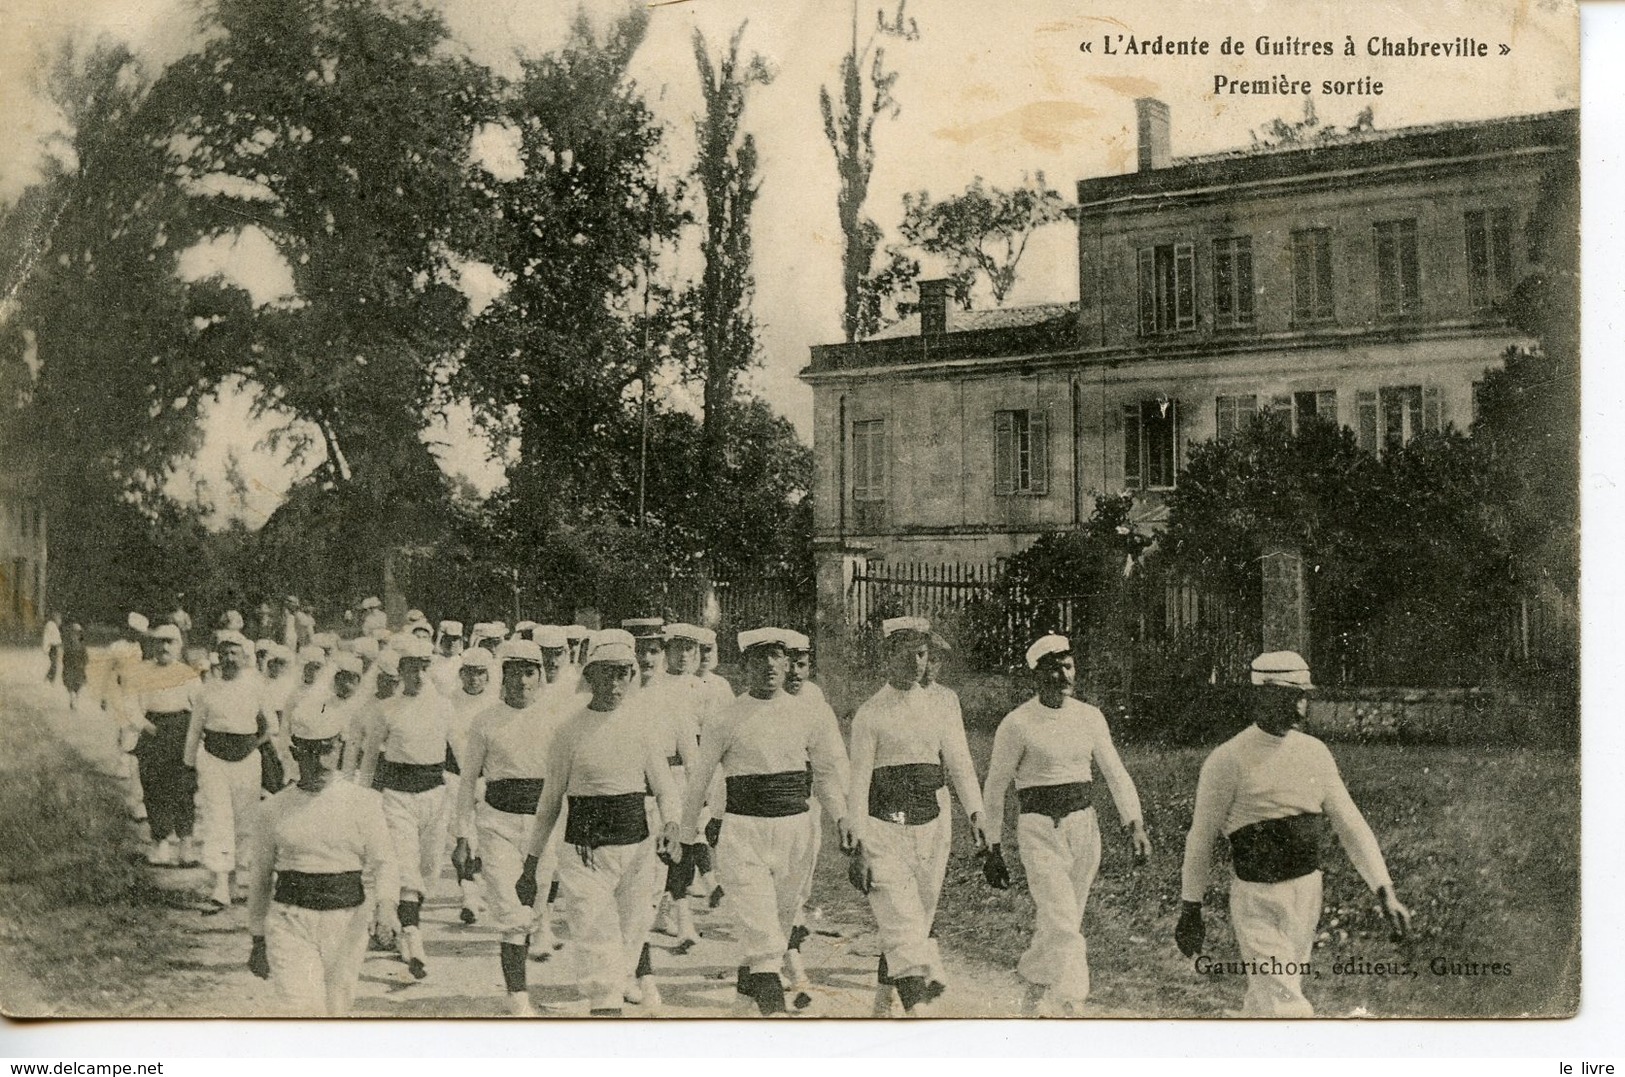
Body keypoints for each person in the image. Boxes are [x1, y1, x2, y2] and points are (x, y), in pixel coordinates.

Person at [1176, 650, 1413, 1017]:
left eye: (1304, 696)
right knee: (1286, 1006)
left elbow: (1350, 823)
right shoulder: (1227, 760)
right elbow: (1201, 838)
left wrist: (1385, 891)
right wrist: (1191, 908)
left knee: (1267, 1001)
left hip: (1306, 897)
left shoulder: (1314, 753)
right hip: (1257, 901)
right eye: (1290, 697)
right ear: (1261, 696)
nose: (1301, 708)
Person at [677, 627, 850, 1016]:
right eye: (760, 657)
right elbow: (699, 781)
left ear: (788, 663)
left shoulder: (810, 712)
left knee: (774, 932)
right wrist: (687, 841)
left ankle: (741, 1012)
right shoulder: (726, 718)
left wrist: (842, 817)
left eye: (777, 656)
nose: (770, 665)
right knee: (762, 938)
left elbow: (826, 773)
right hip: (743, 834)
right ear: (745, 665)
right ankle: (777, 1026)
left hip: (796, 833)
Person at [980, 633, 1152, 1016]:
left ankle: (1033, 974)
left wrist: (1134, 824)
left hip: (1083, 829)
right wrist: (992, 847)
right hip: (1039, 831)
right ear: (1036, 676)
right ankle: (1068, 1001)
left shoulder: (1089, 718)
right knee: (1061, 921)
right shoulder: (1017, 724)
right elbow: (995, 788)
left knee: (1064, 918)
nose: (1062, 676)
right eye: (1052, 669)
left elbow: (1116, 773)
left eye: (1068, 666)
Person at [516, 630, 681, 1017]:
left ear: (631, 675)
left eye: (623, 673)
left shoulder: (642, 727)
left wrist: (672, 825)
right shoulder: (568, 731)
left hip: (637, 851)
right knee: (596, 944)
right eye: (605, 673)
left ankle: (614, 1001)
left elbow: (665, 789)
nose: (614, 683)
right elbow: (550, 801)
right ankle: (605, 1016)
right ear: (590, 676)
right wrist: (531, 861)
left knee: (628, 940)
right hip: (584, 854)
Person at [846, 616, 988, 1016]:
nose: (916, 663)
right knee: (904, 928)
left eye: (922, 654)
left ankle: (882, 1002)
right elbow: (857, 787)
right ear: (888, 656)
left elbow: (959, 761)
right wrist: (858, 846)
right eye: (906, 654)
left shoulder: (942, 705)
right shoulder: (870, 714)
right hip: (884, 832)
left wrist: (976, 812)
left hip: (932, 830)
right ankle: (920, 1018)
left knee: (916, 924)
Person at [244, 693, 400, 1016]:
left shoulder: (364, 803)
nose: (320, 761)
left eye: (327, 749)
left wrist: (387, 907)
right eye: (309, 752)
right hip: (290, 921)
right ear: (295, 751)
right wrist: (258, 938)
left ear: (340, 746)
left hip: (347, 923)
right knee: (301, 1009)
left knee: (336, 1009)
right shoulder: (273, 810)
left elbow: (385, 863)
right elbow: (259, 879)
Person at [455, 640, 564, 1015]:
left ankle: (527, 963)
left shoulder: (555, 718)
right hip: (496, 823)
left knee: (535, 903)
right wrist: (461, 835)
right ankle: (517, 997)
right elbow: (468, 780)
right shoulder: (485, 721)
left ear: (540, 676)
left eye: (529, 672)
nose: (521, 681)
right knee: (510, 911)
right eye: (513, 672)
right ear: (503, 676)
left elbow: (566, 778)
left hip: (543, 825)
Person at [357, 635, 453, 980]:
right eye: (411, 667)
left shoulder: (444, 706)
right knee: (406, 869)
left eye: (424, 666)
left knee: (427, 871)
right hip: (397, 797)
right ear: (400, 670)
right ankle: (413, 939)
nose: (418, 674)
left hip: (435, 798)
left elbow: (460, 753)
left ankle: (405, 923)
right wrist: (360, 803)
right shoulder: (386, 710)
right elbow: (368, 762)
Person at [184, 631, 269, 912]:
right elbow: (195, 729)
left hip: (247, 760)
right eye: (225, 653)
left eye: (236, 653)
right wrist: (189, 763)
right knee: (219, 819)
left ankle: (234, 877)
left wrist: (251, 746)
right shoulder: (207, 689)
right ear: (218, 656)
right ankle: (220, 884)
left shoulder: (256, 686)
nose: (230, 658)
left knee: (244, 822)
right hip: (214, 761)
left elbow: (272, 727)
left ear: (244, 657)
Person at [779, 631, 843, 1007]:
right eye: (791, 664)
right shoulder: (765, 702)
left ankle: (781, 959)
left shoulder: (814, 698)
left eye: (803, 665)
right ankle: (791, 965)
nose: (796, 674)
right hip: (770, 810)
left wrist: (844, 811)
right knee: (778, 892)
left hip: (807, 806)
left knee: (799, 886)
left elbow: (833, 756)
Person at [132, 623, 203, 867]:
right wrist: (146, 726)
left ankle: (185, 844)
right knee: (154, 788)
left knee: (184, 789)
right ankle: (160, 842)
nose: (164, 647)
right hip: (153, 731)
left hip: (182, 731)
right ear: (152, 644)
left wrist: (194, 735)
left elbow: (200, 709)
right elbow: (131, 706)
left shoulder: (189, 675)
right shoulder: (142, 672)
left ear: (179, 645)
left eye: (170, 642)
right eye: (160, 641)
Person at [445, 646, 494, 926]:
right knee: (463, 840)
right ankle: (469, 896)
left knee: (487, 840)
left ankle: (477, 887)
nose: (474, 679)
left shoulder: (496, 705)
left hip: (489, 781)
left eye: (480, 673)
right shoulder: (447, 703)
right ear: (461, 674)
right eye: (469, 673)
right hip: (456, 779)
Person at [61, 622, 89, 708]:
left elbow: (64, 658)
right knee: (77, 684)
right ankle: (74, 697)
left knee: (70, 685)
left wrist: (65, 666)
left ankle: (72, 696)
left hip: (70, 667)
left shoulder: (68, 645)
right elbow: (85, 658)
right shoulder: (81, 645)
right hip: (79, 667)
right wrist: (84, 664)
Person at [41, 612, 61, 684]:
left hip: (53, 646)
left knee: (54, 664)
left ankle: (50, 678)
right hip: (52, 646)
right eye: (59, 619)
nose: (60, 621)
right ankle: (49, 679)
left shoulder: (53, 625)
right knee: (54, 664)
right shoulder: (51, 625)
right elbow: (49, 637)